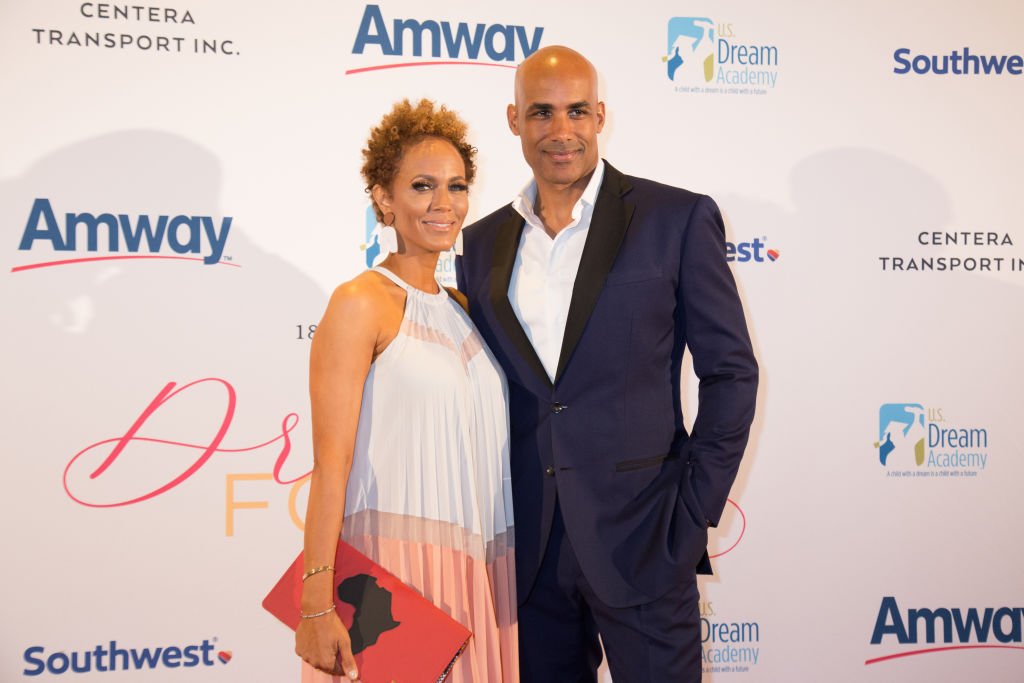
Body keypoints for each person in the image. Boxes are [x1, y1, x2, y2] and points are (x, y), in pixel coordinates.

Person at [456, 46, 758, 682]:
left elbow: (730, 373)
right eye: (541, 112)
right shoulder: (480, 242)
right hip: (527, 547)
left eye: (576, 111)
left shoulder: (675, 218)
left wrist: (694, 507)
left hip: (646, 536)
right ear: (514, 120)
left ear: (600, 117)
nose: (560, 131)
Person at [295, 99, 518, 683]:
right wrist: (315, 604)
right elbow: (330, 466)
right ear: (383, 199)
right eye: (422, 186)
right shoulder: (359, 301)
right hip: (394, 581)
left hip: (483, 571)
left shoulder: (467, 310)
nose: (444, 204)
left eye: (457, 186)